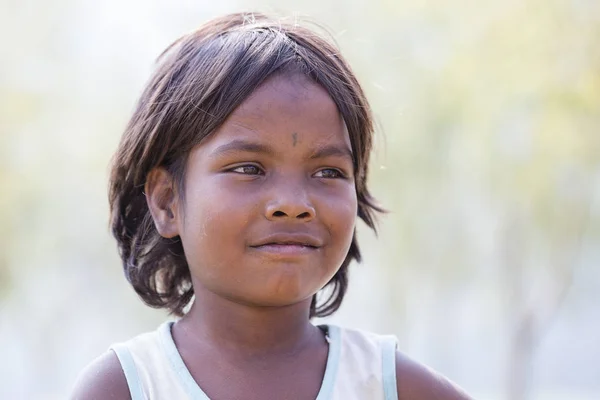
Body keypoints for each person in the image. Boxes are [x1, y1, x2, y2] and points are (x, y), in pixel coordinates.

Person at [70, 12, 471, 400]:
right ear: (166, 201)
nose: (293, 205)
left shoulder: (393, 388)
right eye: (249, 168)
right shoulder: (127, 388)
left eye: (328, 172)